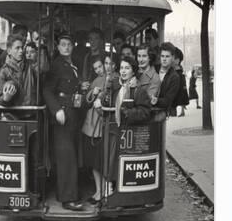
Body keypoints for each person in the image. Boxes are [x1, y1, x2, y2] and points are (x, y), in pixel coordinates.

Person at [43, 33, 85, 211]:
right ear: (58, 47)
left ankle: (70, 193)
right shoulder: (56, 65)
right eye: (63, 45)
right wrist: (56, 110)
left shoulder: (72, 64)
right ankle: (68, 199)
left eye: (69, 44)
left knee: (71, 155)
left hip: (73, 115)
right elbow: (47, 90)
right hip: (62, 115)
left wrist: (81, 87)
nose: (66, 47)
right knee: (66, 157)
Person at [105, 57, 152, 195]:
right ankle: (109, 186)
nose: (123, 71)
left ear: (133, 71)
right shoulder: (114, 85)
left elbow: (145, 112)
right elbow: (107, 102)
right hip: (114, 128)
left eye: (127, 68)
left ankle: (119, 192)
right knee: (109, 159)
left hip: (128, 131)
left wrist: (128, 113)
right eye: (121, 68)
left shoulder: (138, 89)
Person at [82, 58, 108, 203]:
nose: (99, 69)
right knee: (94, 161)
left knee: (99, 161)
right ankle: (98, 190)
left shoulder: (110, 79)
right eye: (96, 68)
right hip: (93, 125)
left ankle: (102, 191)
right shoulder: (96, 80)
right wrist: (92, 91)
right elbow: (87, 99)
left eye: (100, 66)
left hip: (100, 124)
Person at [0, 34, 37, 107]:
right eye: (17, 48)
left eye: (22, 48)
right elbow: (0, 99)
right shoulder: (4, 71)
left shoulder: (30, 66)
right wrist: (6, 98)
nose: (21, 51)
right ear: (9, 51)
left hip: (31, 112)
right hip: (13, 114)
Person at [150, 42, 180, 117]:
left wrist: (156, 100)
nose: (164, 59)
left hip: (159, 114)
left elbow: (168, 100)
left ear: (173, 57)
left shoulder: (174, 77)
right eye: (162, 56)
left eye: (167, 56)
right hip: (144, 109)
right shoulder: (153, 69)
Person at [173, 47, 189, 117]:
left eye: (176, 59)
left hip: (180, 85)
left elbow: (181, 78)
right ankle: (178, 111)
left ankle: (182, 111)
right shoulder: (176, 67)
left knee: (181, 97)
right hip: (178, 84)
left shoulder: (178, 68)